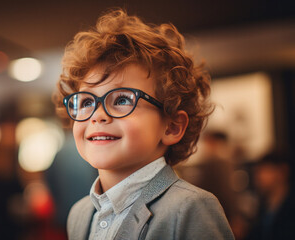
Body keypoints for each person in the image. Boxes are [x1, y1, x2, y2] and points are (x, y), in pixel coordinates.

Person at [53, 9, 234, 240]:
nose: (97, 116)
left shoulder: (190, 208)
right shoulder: (79, 214)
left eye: (121, 100)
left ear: (172, 127)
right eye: (87, 101)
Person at [245, 153, 295, 240]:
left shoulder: (290, 208)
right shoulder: (264, 207)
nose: (257, 177)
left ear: (282, 172)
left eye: (263, 171)